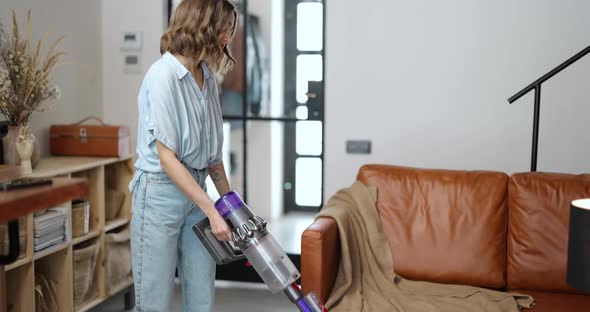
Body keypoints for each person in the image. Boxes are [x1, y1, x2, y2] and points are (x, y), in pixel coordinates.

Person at [127, 0, 237, 311]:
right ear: (202, 27)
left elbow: (213, 159)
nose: (228, 39)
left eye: (229, 31)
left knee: (202, 298)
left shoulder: (208, 79)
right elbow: (168, 159)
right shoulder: (162, 76)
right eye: (224, 30)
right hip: (160, 192)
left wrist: (232, 206)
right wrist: (213, 211)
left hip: (197, 192)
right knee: (154, 302)